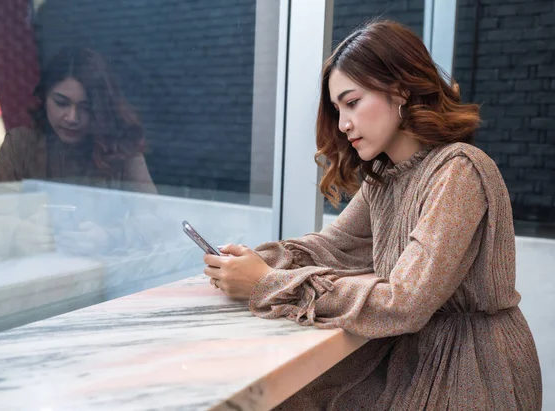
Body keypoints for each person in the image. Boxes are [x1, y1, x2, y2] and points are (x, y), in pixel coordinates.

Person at [202, 20, 542, 410]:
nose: (343, 124)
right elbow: (334, 246)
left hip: (472, 369)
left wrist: (269, 283)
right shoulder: (386, 177)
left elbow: (405, 302)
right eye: (337, 109)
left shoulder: (459, 170)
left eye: (352, 102)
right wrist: (258, 261)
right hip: (415, 356)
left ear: (400, 90)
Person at [0, 46, 158, 257]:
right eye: (61, 103)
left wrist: (109, 237)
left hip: (103, 277)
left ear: (101, 107)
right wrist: (17, 233)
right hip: (34, 273)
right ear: (44, 97)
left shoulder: (121, 146)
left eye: (85, 107)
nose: (72, 118)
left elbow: (156, 220)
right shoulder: (20, 144)